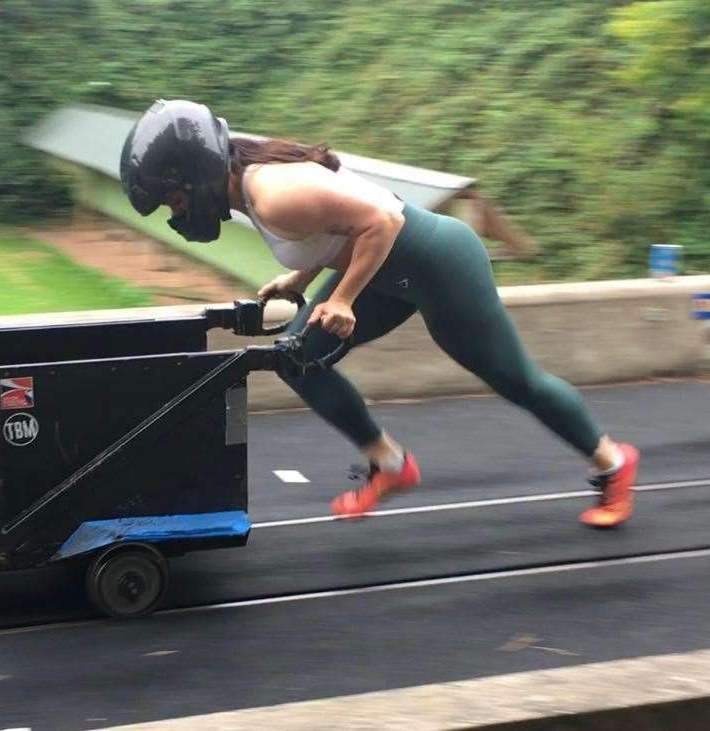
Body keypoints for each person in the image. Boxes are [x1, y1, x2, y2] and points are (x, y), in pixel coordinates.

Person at [118, 99, 639, 528]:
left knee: (515, 379)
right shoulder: (253, 190)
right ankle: (391, 465)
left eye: (174, 201)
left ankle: (612, 463)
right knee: (296, 358)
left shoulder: (274, 195)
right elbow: (333, 232)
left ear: (195, 176)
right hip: (390, 269)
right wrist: (299, 280)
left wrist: (341, 298)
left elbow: (382, 219)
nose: (176, 214)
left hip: (435, 262)